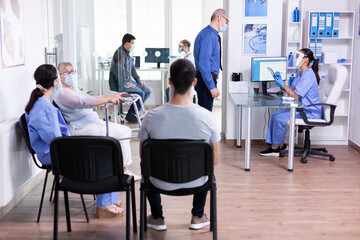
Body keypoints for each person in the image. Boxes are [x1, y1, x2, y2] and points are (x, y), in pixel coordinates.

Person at [25, 64, 124, 218]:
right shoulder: (44, 108)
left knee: (105, 152)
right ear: (55, 82)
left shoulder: (41, 105)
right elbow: (55, 141)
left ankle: (109, 199)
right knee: (102, 154)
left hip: (59, 149)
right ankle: (104, 204)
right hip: (55, 154)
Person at [138, 59, 221, 231]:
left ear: (170, 81)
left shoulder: (151, 116)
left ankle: (156, 216)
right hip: (197, 182)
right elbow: (214, 160)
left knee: (145, 163)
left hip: (158, 181)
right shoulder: (207, 117)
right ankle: (198, 215)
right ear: (195, 82)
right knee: (206, 164)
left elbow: (142, 156)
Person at [53, 62, 140, 181]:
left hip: (92, 122)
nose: (70, 74)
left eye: (72, 71)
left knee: (125, 130)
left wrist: (112, 96)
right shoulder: (62, 93)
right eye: (66, 72)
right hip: (80, 128)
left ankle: (120, 169)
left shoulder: (74, 89)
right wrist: (108, 99)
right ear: (60, 75)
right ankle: (122, 171)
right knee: (122, 133)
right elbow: (83, 103)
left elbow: (91, 98)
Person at [260, 48, 322, 157]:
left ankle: (275, 148)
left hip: (310, 112)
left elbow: (296, 95)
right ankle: (281, 146)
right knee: (276, 114)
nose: (295, 58)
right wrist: (281, 82)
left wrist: (282, 85)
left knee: (279, 118)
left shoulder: (308, 74)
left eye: (298, 56)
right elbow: (291, 91)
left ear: (306, 60)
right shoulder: (300, 73)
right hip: (302, 108)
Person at [109, 33, 151, 123]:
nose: (133, 45)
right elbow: (118, 71)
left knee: (147, 91)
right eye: (132, 43)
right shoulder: (120, 53)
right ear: (127, 43)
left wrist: (138, 80)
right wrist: (124, 83)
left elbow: (132, 68)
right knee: (140, 93)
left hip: (128, 81)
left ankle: (133, 113)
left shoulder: (127, 53)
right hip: (120, 83)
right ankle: (130, 114)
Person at [194, 8, 228, 111]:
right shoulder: (209, 36)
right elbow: (204, 64)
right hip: (205, 80)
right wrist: (211, 86)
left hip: (205, 78)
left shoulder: (210, 34)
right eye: (226, 21)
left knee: (204, 116)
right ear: (220, 18)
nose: (226, 24)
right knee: (205, 117)